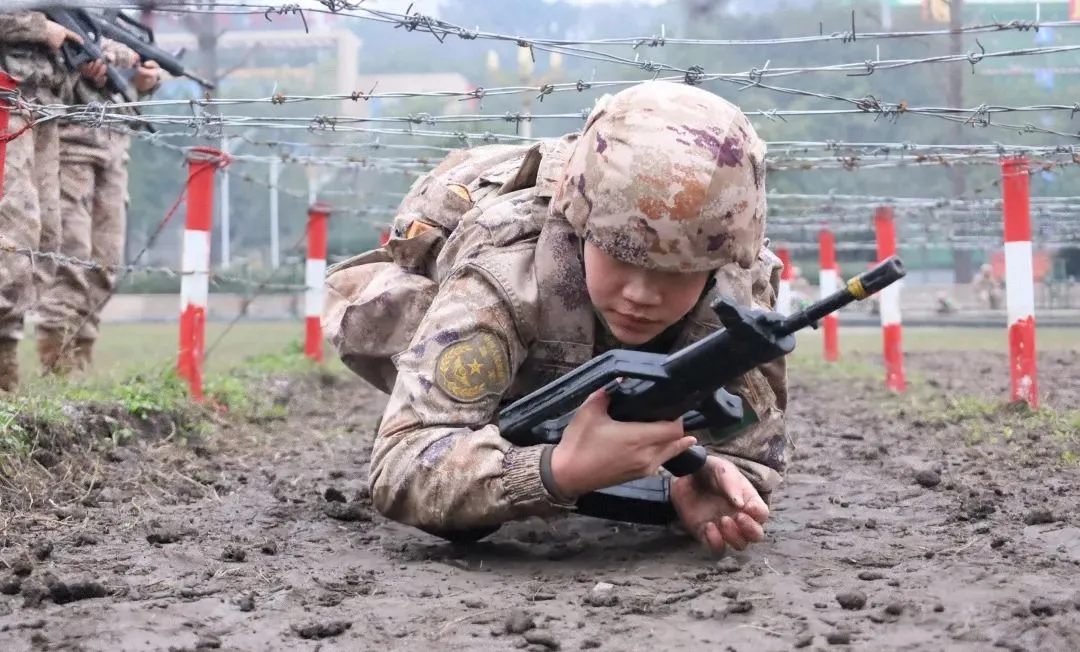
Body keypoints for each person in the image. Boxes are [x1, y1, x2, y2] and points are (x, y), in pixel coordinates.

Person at [323, 81, 788, 553]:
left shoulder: (738, 291)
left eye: (675, 272)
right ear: (581, 226)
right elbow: (400, 464)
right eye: (621, 255)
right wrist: (553, 472)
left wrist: (691, 482)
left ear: (717, 264)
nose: (642, 294)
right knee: (464, 508)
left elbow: (750, 453)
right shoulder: (505, 275)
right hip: (490, 330)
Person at [36, 37, 163, 374]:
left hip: (114, 143)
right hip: (67, 140)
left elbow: (132, 64)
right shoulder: (51, 11)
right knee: (70, 256)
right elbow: (35, 52)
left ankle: (81, 354)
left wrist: (144, 75)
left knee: (107, 261)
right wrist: (98, 57)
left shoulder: (111, 12)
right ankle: (57, 363)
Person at [0, 10, 102, 392]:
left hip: (42, 108)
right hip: (6, 99)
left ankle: (9, 364)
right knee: (13, 238)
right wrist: (40, 28)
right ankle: (4, 368)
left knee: (45, 240)